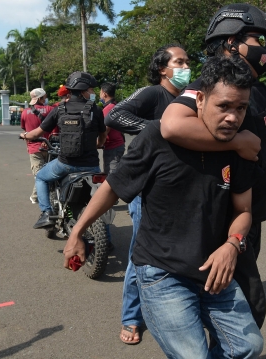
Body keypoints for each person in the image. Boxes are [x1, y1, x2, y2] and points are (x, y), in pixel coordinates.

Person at [64, 56, 263, 359]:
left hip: (213, 271)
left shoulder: (240, 147)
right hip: (162, 273)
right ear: (200, 99)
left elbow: (243, 210)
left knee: (249, 346)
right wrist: (77, 231)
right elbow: (113, 188)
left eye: (241, 108)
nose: (233, 118)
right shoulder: (157, 137)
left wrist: (232, 245)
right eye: (224, 106)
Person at [160, 3, 266, 329]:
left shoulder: (258, 91)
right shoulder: (211, 84)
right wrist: (235, 142)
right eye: (256, 39)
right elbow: (172, 124)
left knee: (232, 299)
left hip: (251, 214)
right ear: (230, 42)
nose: (264, 50)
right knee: (246, 306)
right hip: (220, 216)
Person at [105, 44, 191, 345]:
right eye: (179, 62)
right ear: (162, 69)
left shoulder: (186, 98)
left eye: (187, 62)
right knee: (139, 256)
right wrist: (158, 128)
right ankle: (131, 318)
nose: (185, 67)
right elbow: (115, 115)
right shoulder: (154, 94)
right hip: (146, 188)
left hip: (177, 189)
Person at [19, 71, 106, 229]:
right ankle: (107, 236)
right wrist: (99, 144)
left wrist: (24, 135)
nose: (93, 93)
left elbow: (38, 133)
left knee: (41, 178)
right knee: (99, 203)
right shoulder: (95, 110)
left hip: (66, 163)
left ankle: (46, 213)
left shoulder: (60, 109)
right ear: (83, 90)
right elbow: (103, 133)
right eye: (91, 90)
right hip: (91, 165)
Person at [20, 88, 55, 204]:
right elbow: (55, 128)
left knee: (39, 175)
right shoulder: (50, 109)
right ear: (40, 98)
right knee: (51, 172)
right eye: (44, 97)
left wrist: (28, 146)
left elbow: (26, 132)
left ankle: (36, 196)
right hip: (50, 146)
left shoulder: (25, 112)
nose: (45, 99)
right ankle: (41, 196)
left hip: (34, 147)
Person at [100, 82, 124, 174]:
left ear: (104, 94)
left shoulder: (108, 109)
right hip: (117, 145)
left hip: (113, 147)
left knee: (111, 177)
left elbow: (105, 130)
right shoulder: (115, 105)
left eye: (100, 92)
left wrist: (98, 143)